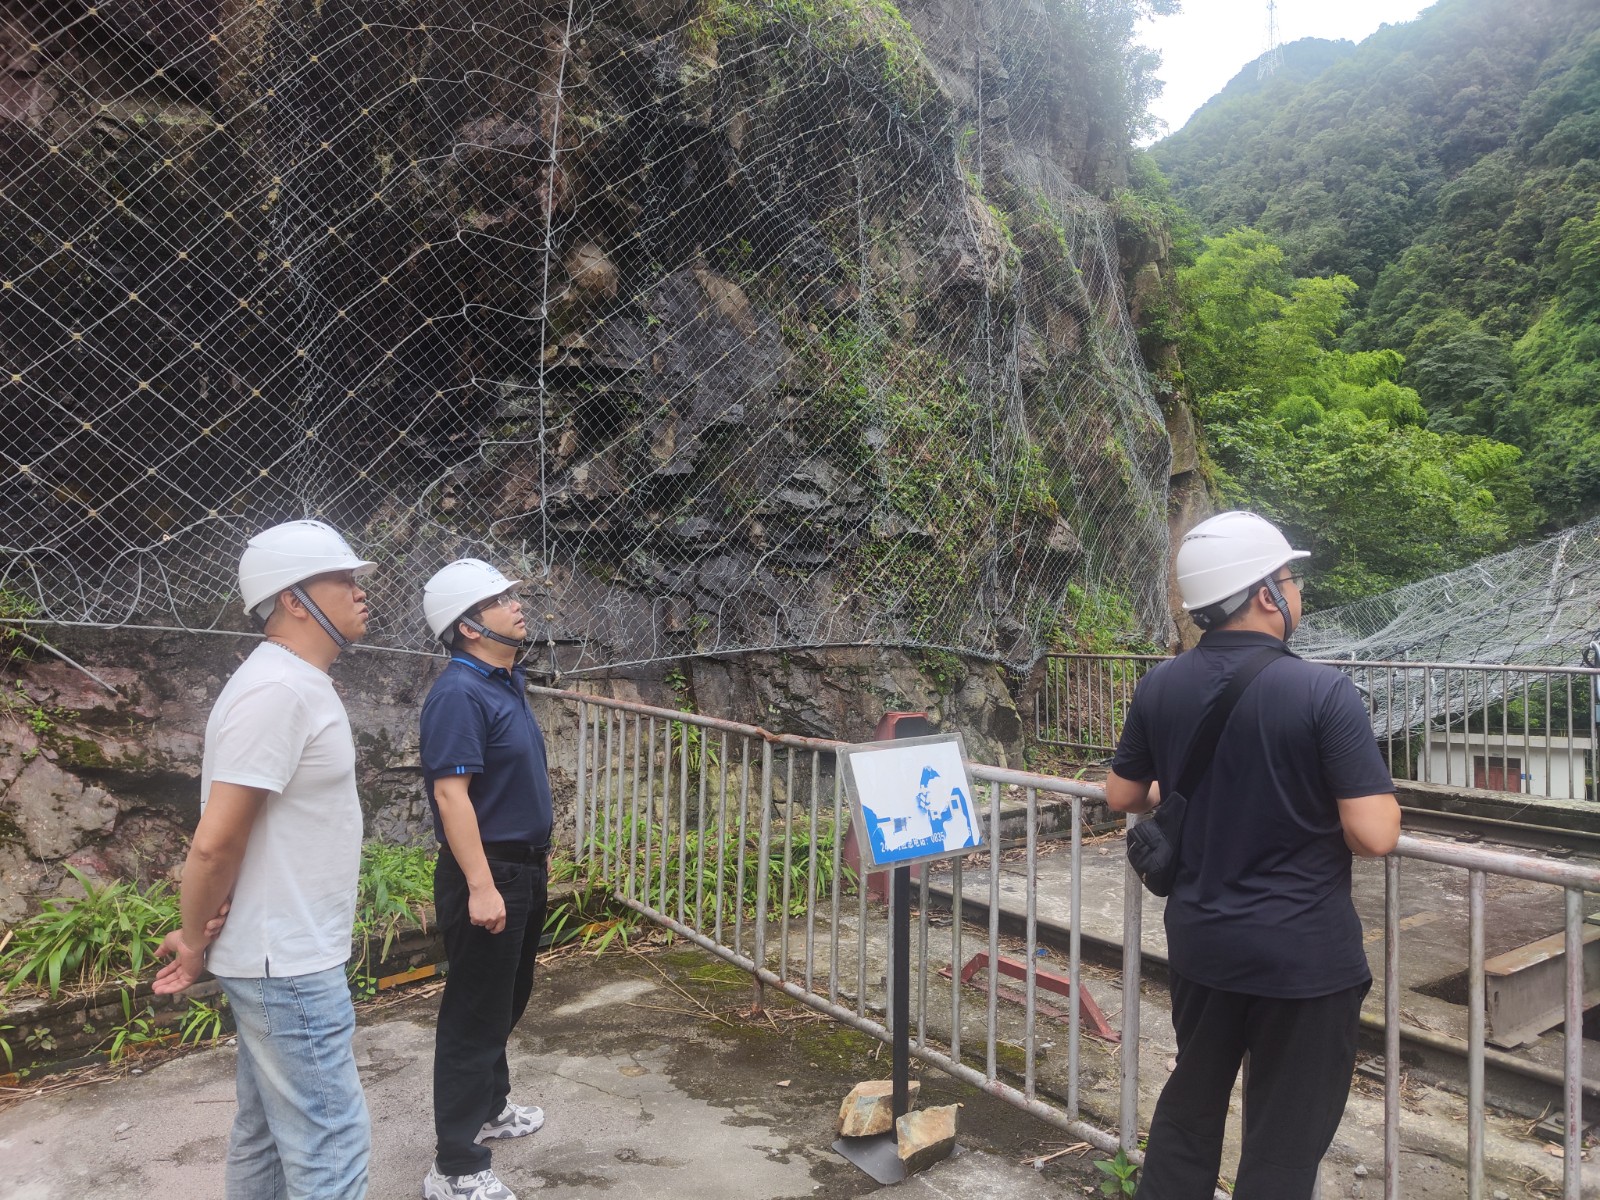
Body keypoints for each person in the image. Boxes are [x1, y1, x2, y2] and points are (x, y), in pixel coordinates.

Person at [1105, 511, 1400, 1200]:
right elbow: (1375, 834)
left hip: (1203, 945)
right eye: (1289, 579)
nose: (1297, 592)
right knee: (1282, 1148)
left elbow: (1122, 793)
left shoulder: (1160, 684)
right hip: (1303, 959)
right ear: (1266, 593)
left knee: (1189, 1113)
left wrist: (1179, 785)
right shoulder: (1321, 690)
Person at [154, 519, 377, 1199]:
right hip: (288, 963)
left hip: (284, 953)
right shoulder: (278, 690)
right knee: (330, 1142)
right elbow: (215, 840)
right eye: (343, 578)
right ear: (291, 598)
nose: (361, 590)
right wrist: (193, 940)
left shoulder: (293, 683)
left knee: (269, 1134)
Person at [418, 559, 554, 1200]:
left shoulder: (504, 681)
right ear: (469, 626)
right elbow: (451, 796)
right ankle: (455, 1166)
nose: (515, 604)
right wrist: (480, 884)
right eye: (499, 599)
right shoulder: (458, 694)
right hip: (489, 870)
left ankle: (491, 1109)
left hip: (520, 867)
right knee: (473, 1017)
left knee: (505, 1000)